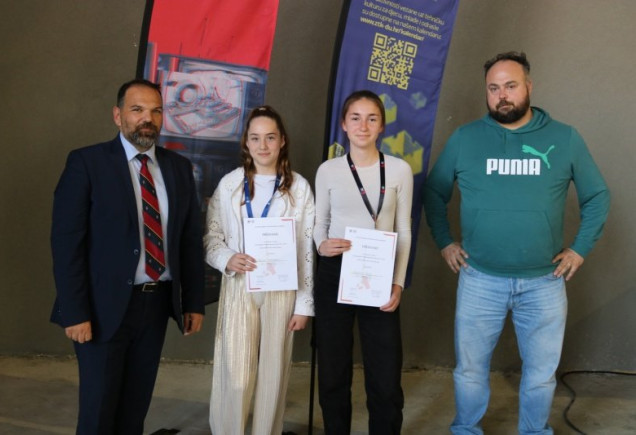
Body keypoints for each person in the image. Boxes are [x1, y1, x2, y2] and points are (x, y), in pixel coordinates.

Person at [423, 51, 610, 434]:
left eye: (510, 85)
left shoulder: (564, 138)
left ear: (529, 86)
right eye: (493, 88)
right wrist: (445, 241)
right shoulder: (466, 138)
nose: (502, 95)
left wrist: (579, 249)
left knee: (540, 376)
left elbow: (597, 196)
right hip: (479, 280)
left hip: (544, 283)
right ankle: (466, 430)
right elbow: (434, 192)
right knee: (470, 370)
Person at [50, 78, 205, 434]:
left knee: (135, 411)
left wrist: (194, 301)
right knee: (98, 413)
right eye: (137, 110)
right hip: (100, 308)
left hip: (156, 305)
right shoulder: (86, 163)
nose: (147, 118)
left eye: (155, 111)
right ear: (118, 116)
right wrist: (75, 311)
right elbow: (66, 243)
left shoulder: (179, 168)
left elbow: (188, 241)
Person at [204, 106, 315, 434]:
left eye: (270, 137)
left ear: (282, 141)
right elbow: (211, 236)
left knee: (273, 374)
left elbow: (306, 249)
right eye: (255, 138)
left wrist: (304, 304)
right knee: (235, 375)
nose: (263, 145)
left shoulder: (299, 188)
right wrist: (227, 257)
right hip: (240, 284)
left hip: (283, 288)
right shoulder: (230, 185)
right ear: (246, 143)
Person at [314, 90, 413, 434]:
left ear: (382, 126)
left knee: (385, 373)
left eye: (372, 118)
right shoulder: (328, 170)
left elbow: (404, 230)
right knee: (332, 370)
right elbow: (319, 224)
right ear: (344, 124)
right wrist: (321, 246)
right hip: (335, 272)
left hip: (380, 273)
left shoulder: (399, 170)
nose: (363, 126)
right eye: (355, 118)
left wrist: (398, 283)